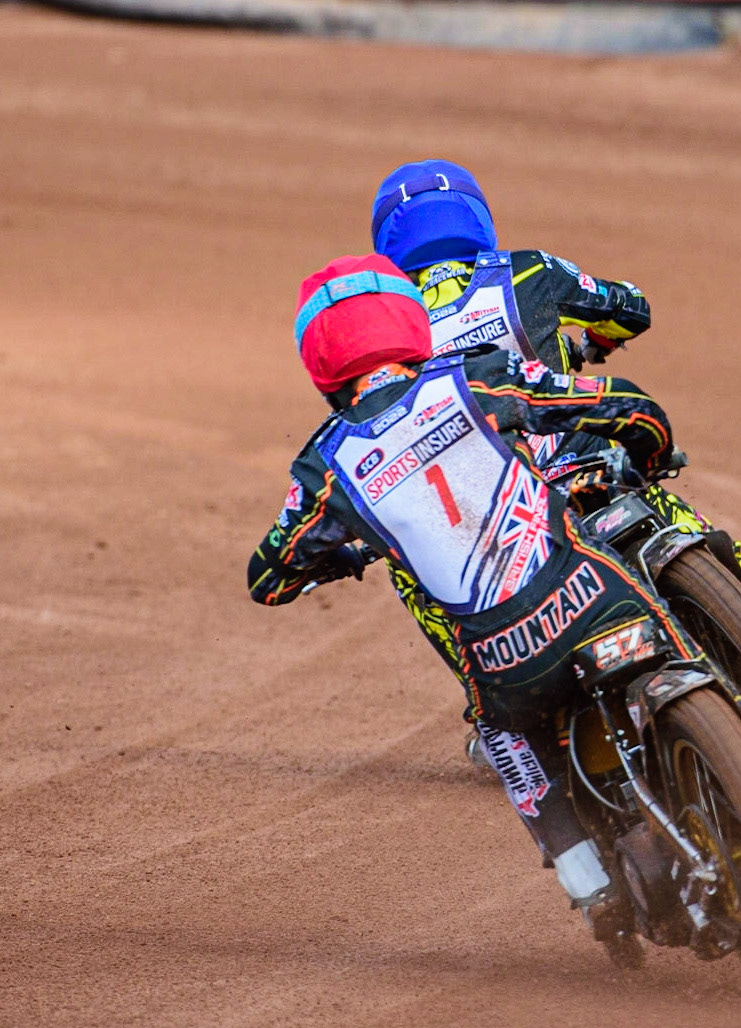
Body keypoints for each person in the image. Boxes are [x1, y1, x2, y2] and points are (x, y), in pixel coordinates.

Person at [369, 159, 741, 742]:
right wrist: (593, 347)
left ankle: (502, 721)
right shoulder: (526, 273)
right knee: (697, 534)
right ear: (476, 217)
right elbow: (631, 310)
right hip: (587, 468)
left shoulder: (387, 330)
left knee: (414, 576)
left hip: (500, 517)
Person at [249, 254, 691, 928]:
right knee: (676, 637)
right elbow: (623, 406)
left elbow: (269, 578)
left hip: (508, 664)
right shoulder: (475, 374)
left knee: (499, 729)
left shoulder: (324, 462)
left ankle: (587, 881)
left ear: (320, 365)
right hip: (593, 597)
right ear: (409, 324)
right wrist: (650, 453)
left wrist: (342, 557)